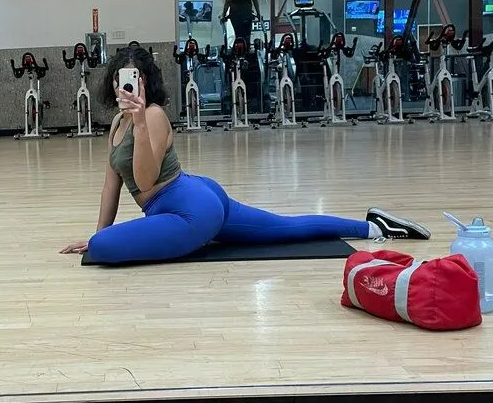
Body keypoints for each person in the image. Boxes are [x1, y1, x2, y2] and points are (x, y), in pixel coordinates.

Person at [60, 47, 431, 264]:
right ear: (113, 82)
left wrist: (141, 121)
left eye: (134, 78)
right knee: (285, 229)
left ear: (146, 82)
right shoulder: (117, 123)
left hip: (189, 207)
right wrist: (96, 234)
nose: (125, 85)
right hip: (196, 196)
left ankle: (373, 228)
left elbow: (144, 181)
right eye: (120, 78)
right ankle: (375, 227)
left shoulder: (153, 116)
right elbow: (111, 185)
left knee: (105, 250)